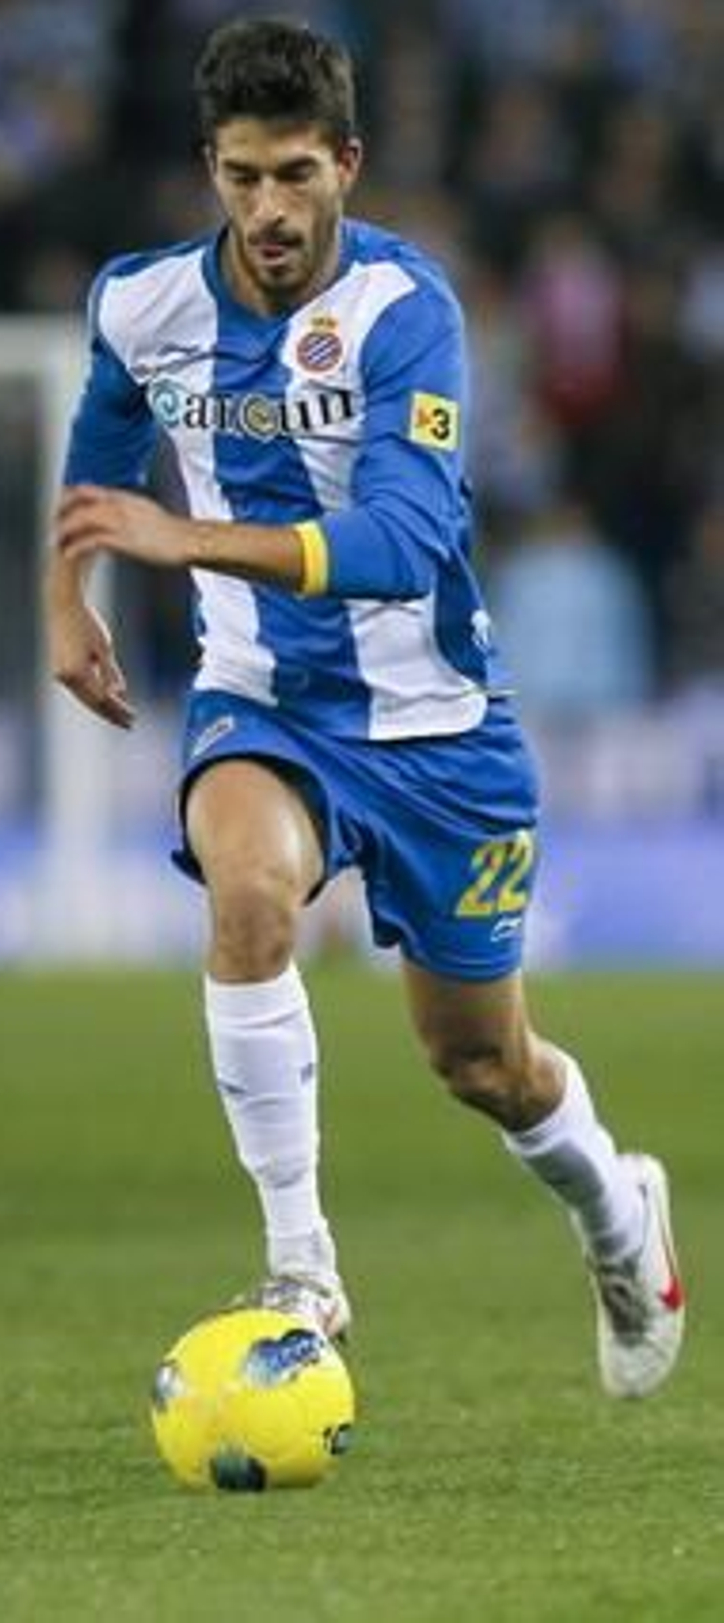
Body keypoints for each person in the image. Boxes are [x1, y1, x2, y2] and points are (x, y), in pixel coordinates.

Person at [47, 17, 684, 1399]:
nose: (267, 212)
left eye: (293, 176)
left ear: (348, 161)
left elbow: (403, 538)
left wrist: (184, 540)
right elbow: (102, 436)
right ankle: (302, 1267)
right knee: (249, 896)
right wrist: (69, 593)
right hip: (261, 701)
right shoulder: (142, 302)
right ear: (206, 170)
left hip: (439, 728)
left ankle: (617, 1216)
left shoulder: (408, 313)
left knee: (484, 1064)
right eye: (238, 178)